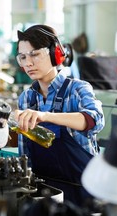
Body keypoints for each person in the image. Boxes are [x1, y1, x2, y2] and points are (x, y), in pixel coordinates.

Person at [14, 24, 105, 206]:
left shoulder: (77, 89)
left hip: (84, 194)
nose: (28, 63)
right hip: (45, 195)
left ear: (56, 53)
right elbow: (25, 156)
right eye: (22, 57)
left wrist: (45, 116)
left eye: (34, 54)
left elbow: (94, 120)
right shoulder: (26, 99)